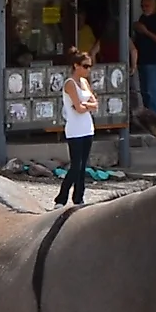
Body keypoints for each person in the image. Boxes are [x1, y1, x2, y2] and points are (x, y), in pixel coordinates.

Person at [54, 56, 99, 206]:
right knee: (76, 165)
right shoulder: (70, 83)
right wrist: (86, 106)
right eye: (85, 66)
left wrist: (85, 105)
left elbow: (94, 104)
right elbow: (78, 109)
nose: (88, 70)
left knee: (83, 165)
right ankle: (61, 198)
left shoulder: (85, 83)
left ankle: (78, 197)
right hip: (75, 129)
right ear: (76, 65)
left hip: (88, 128)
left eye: (90, 66)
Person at [132, 5, 156, 119]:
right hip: (141, 60)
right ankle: (148, 120)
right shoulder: (142, 18)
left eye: (147, 5)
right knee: (144, 93)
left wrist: (145, 31)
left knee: (152, 92)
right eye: (142, 6)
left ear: (153, 5)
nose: (144, 8)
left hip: (153, 60)